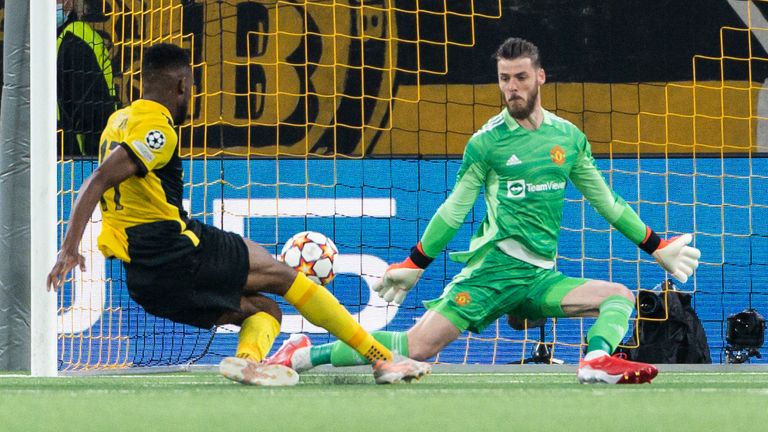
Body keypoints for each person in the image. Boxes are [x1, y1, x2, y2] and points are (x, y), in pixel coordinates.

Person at [265, 37, 701, 384]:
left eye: (521, 77)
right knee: (416, 348)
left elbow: (606, 201)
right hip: (494, 271)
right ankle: (303, 352)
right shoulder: (487, 143)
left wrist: (656, 244)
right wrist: (415, 263)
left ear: (540, 77)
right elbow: (455, 210)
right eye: (504, 78)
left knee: (618, 297)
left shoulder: (568, 139)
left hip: (539, 276)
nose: (512, 87)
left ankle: (595, 360)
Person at [46, 43, 431, 386]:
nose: (190, 96)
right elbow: (98, 179)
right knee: (284, 276)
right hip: (173, 252)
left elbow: (101, 178)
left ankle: (246, 362)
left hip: (144, 281)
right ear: (181, 85)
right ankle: (382, 360)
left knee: (264, 309)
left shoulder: (117, 121)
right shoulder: (156, 128)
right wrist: (69, 247)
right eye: (191, 88)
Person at [57, 0, 118, 156]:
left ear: (68, 3)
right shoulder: (31, 42)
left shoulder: (76, 43)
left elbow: (98, 114)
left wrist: (93, 173)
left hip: (69, 161)